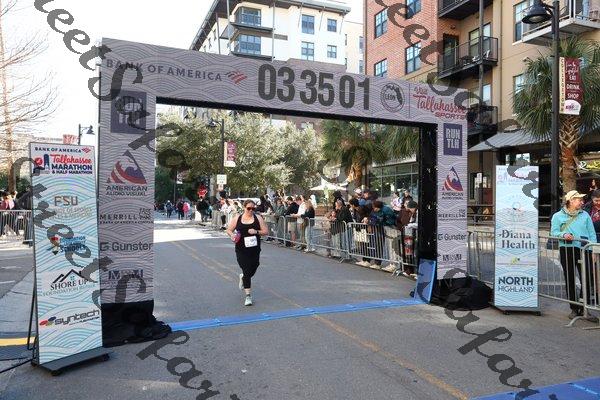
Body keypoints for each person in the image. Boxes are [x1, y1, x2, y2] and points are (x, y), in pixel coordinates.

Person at [551, 190, 598, 320]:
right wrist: (564, 234)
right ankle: (574, 308)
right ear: (571, 201)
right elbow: (553, 232)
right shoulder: (557, 216)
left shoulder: (585, 215)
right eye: (579, 200)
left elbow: (592, 234)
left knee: (588, 279)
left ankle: (584, 308)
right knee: (570, 278)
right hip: (567, 249)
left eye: (582, 200)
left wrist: (593, 250)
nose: (582, 202)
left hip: (585, 249)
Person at [226, 199, 269, 306]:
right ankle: (248, 296)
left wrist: (256, 231)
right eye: (249, 208)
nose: (251, 210)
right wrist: (232, 235)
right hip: (241, 249)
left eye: (253, 208)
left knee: (254, 267)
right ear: (244, 208)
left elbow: (266, 231)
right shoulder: (238, 218)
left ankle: (243, 277)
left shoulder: (258, 218)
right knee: (246, 270)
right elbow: (229, 230)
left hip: (254, 249)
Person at [369, 200, 397, 270]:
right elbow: (372, 217)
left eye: (374, 208)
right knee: (379, 245)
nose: (374, 209)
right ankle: (378, 263)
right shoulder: (376, 210)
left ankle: (393, 264)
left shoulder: (386, 210)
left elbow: (391, 220)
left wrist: (381, 221)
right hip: (381, 229)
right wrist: (372, 222)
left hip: (390, 228)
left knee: (392, 246)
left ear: (378, 207)